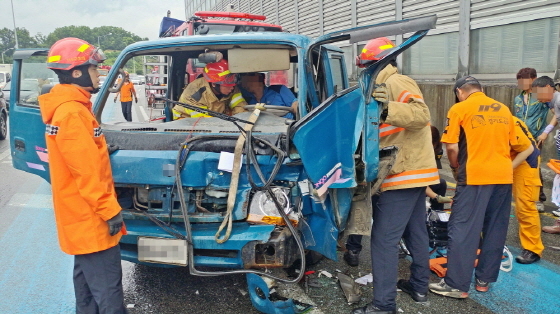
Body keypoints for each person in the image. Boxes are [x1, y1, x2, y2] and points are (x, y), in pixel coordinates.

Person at [38, 37, 127, 313]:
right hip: (92, 217)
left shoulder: (69, 109)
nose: (99, 72)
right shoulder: (73, 114)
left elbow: (80, 156)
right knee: (108, 291)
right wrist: (111, 211)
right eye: (93, 68)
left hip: (80, 216)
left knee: (87, 288)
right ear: (76, 72)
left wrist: (99, 147)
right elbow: (86, 173)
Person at [352, 37, 440, 314]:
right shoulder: (380, 86)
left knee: (384, 240)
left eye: (365, 66)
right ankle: (419, 286)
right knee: (416, 233)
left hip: (402, 173)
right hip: (409, 172)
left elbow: (420, 114)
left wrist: (388, 108)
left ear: (376, 64)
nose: (362, 72)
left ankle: (383, 305)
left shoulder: (395, 82)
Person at [429, 76, 533, 298]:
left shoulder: (460, 109)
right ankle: (484, 280)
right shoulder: (504, 110)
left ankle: (456, 284)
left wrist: (456, 168)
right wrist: (508, 166)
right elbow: (526, 148)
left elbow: (452, 147)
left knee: (463, 229)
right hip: (502, 180)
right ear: (481, 89)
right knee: (495, 229)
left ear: (459, 92)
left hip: (475, 178)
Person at [513, 68, 556, 212]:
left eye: (523, 80)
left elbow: (556, 112)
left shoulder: (542, 96)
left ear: (533, 79)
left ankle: (539, 198)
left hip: (535, 138)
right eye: (519, 81)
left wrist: (545, 132)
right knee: (520, 167)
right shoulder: (518, 99)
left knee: (534, 167)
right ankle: (524, 195)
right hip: (520, 138)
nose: (521, 83)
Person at [511, 117, 544, 264]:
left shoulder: (505, 121)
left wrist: (507, 169)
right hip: (511, 159)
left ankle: (533, 249)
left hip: (525, 163)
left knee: (525, 207)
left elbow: (527, 149)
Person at [173, 58, 247, 119]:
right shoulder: (194, 92)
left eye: (233, 82)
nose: (232, 87)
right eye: (227, 85)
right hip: (185, 124)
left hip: (214, 121)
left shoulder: (232, 87)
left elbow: (240, 107)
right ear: (214, 84)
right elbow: (203, 122)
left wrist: (243, 119)